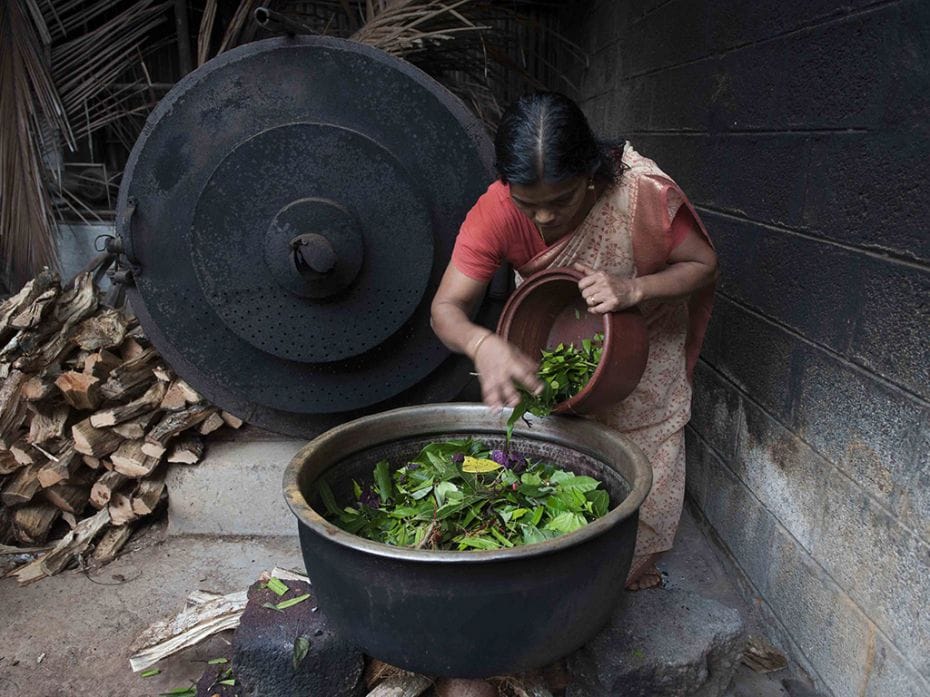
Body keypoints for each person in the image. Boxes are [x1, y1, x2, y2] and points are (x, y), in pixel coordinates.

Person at [430, 92, 718, 591]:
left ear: (590, 173)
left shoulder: (638, 193)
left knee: (644, 486)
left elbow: (702, 265)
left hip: (645, 347)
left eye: (561, 201)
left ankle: (622, 573)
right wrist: (483, 345)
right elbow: (445, 309)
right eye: (528, 204)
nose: (544, 219)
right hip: (553, 338)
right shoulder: (496, 211)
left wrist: (636, 288)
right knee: (545, 477)